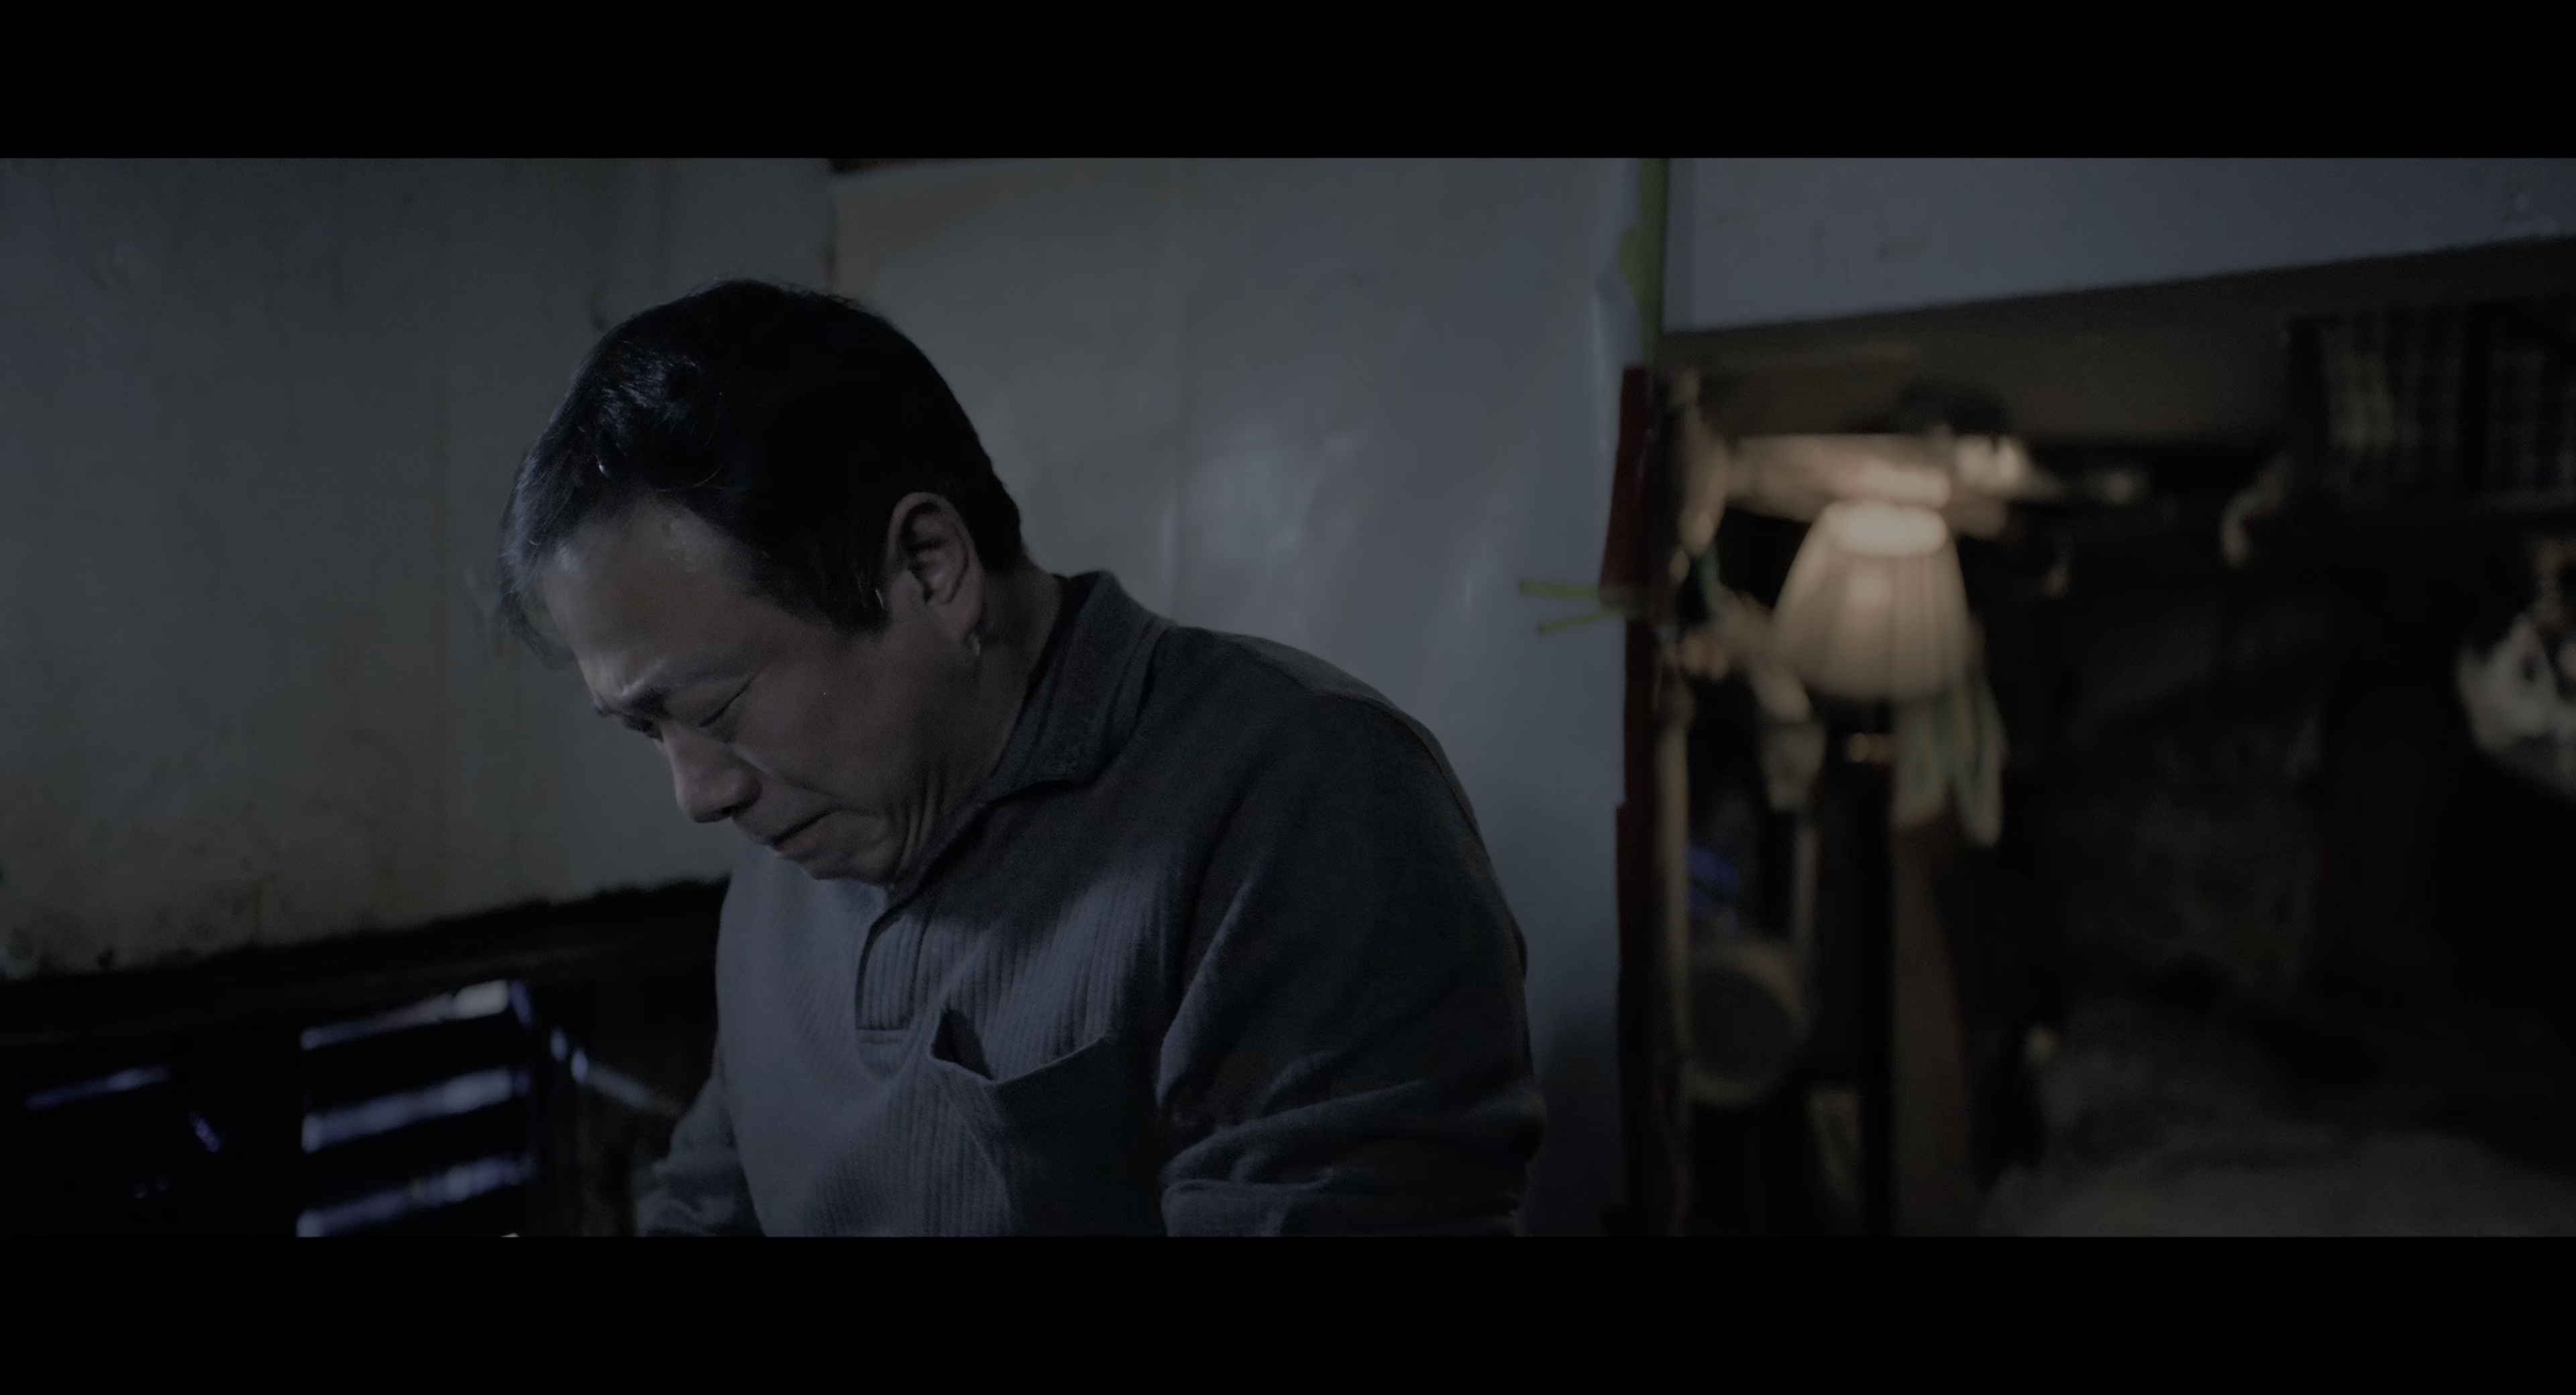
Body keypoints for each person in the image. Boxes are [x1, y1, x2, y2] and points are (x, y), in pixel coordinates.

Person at [496, 280, 1544, 1235]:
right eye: (647, 729)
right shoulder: (796, 851)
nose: (698, 794)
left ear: (930, 569)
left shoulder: (1302, 800)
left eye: (715, 708)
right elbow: (709, 1205)